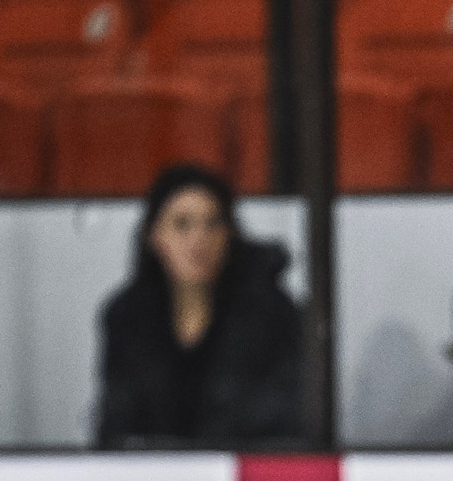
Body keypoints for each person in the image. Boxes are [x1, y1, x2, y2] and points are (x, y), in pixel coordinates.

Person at [96, 164, 304, 449]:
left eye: (213, 223)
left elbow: (284, 423)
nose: (199, 240)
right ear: (154, 236)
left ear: (229, 234)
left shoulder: (271, 313)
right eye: (182, 224)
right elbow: (116, 423)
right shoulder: (126, 318)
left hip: (241, 480)